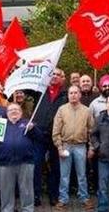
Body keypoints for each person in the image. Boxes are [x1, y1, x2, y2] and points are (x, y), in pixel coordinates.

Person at [52, 85, 95, 210]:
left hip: (80, 146)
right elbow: (56, 130)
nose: (73, 95)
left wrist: (91, 147)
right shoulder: (62, 110)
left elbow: (91, 131)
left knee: (82, 175)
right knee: (64, 175)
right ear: (68, 95)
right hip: (65, 145)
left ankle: (84, 197)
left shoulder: (86, 111)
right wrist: (59, 147)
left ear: (80, 95)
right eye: (71, 93)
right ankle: (63, 199)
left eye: (76, 92)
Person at [33, 68, 67, 206]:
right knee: (37, 165)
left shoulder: (65, 95)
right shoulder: (39, 92)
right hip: (39, 134)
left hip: (57, 135)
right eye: (52, 74)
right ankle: (36, 195)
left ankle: (54, 195)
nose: (55, 76)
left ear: (63, 79)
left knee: (56, 167)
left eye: (58, 75)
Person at [0, 103, 39, 212]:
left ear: (21, 112)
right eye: (11, 110)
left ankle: (27, 210)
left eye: (16, 109)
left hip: (25, 162)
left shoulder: (28, 123)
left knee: (27, 190)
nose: (14, 111)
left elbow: (40, 137)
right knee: (6, 192)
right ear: (7, 113)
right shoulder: (1, 124)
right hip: (5, 163)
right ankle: (7, 210)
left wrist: (33, 129)